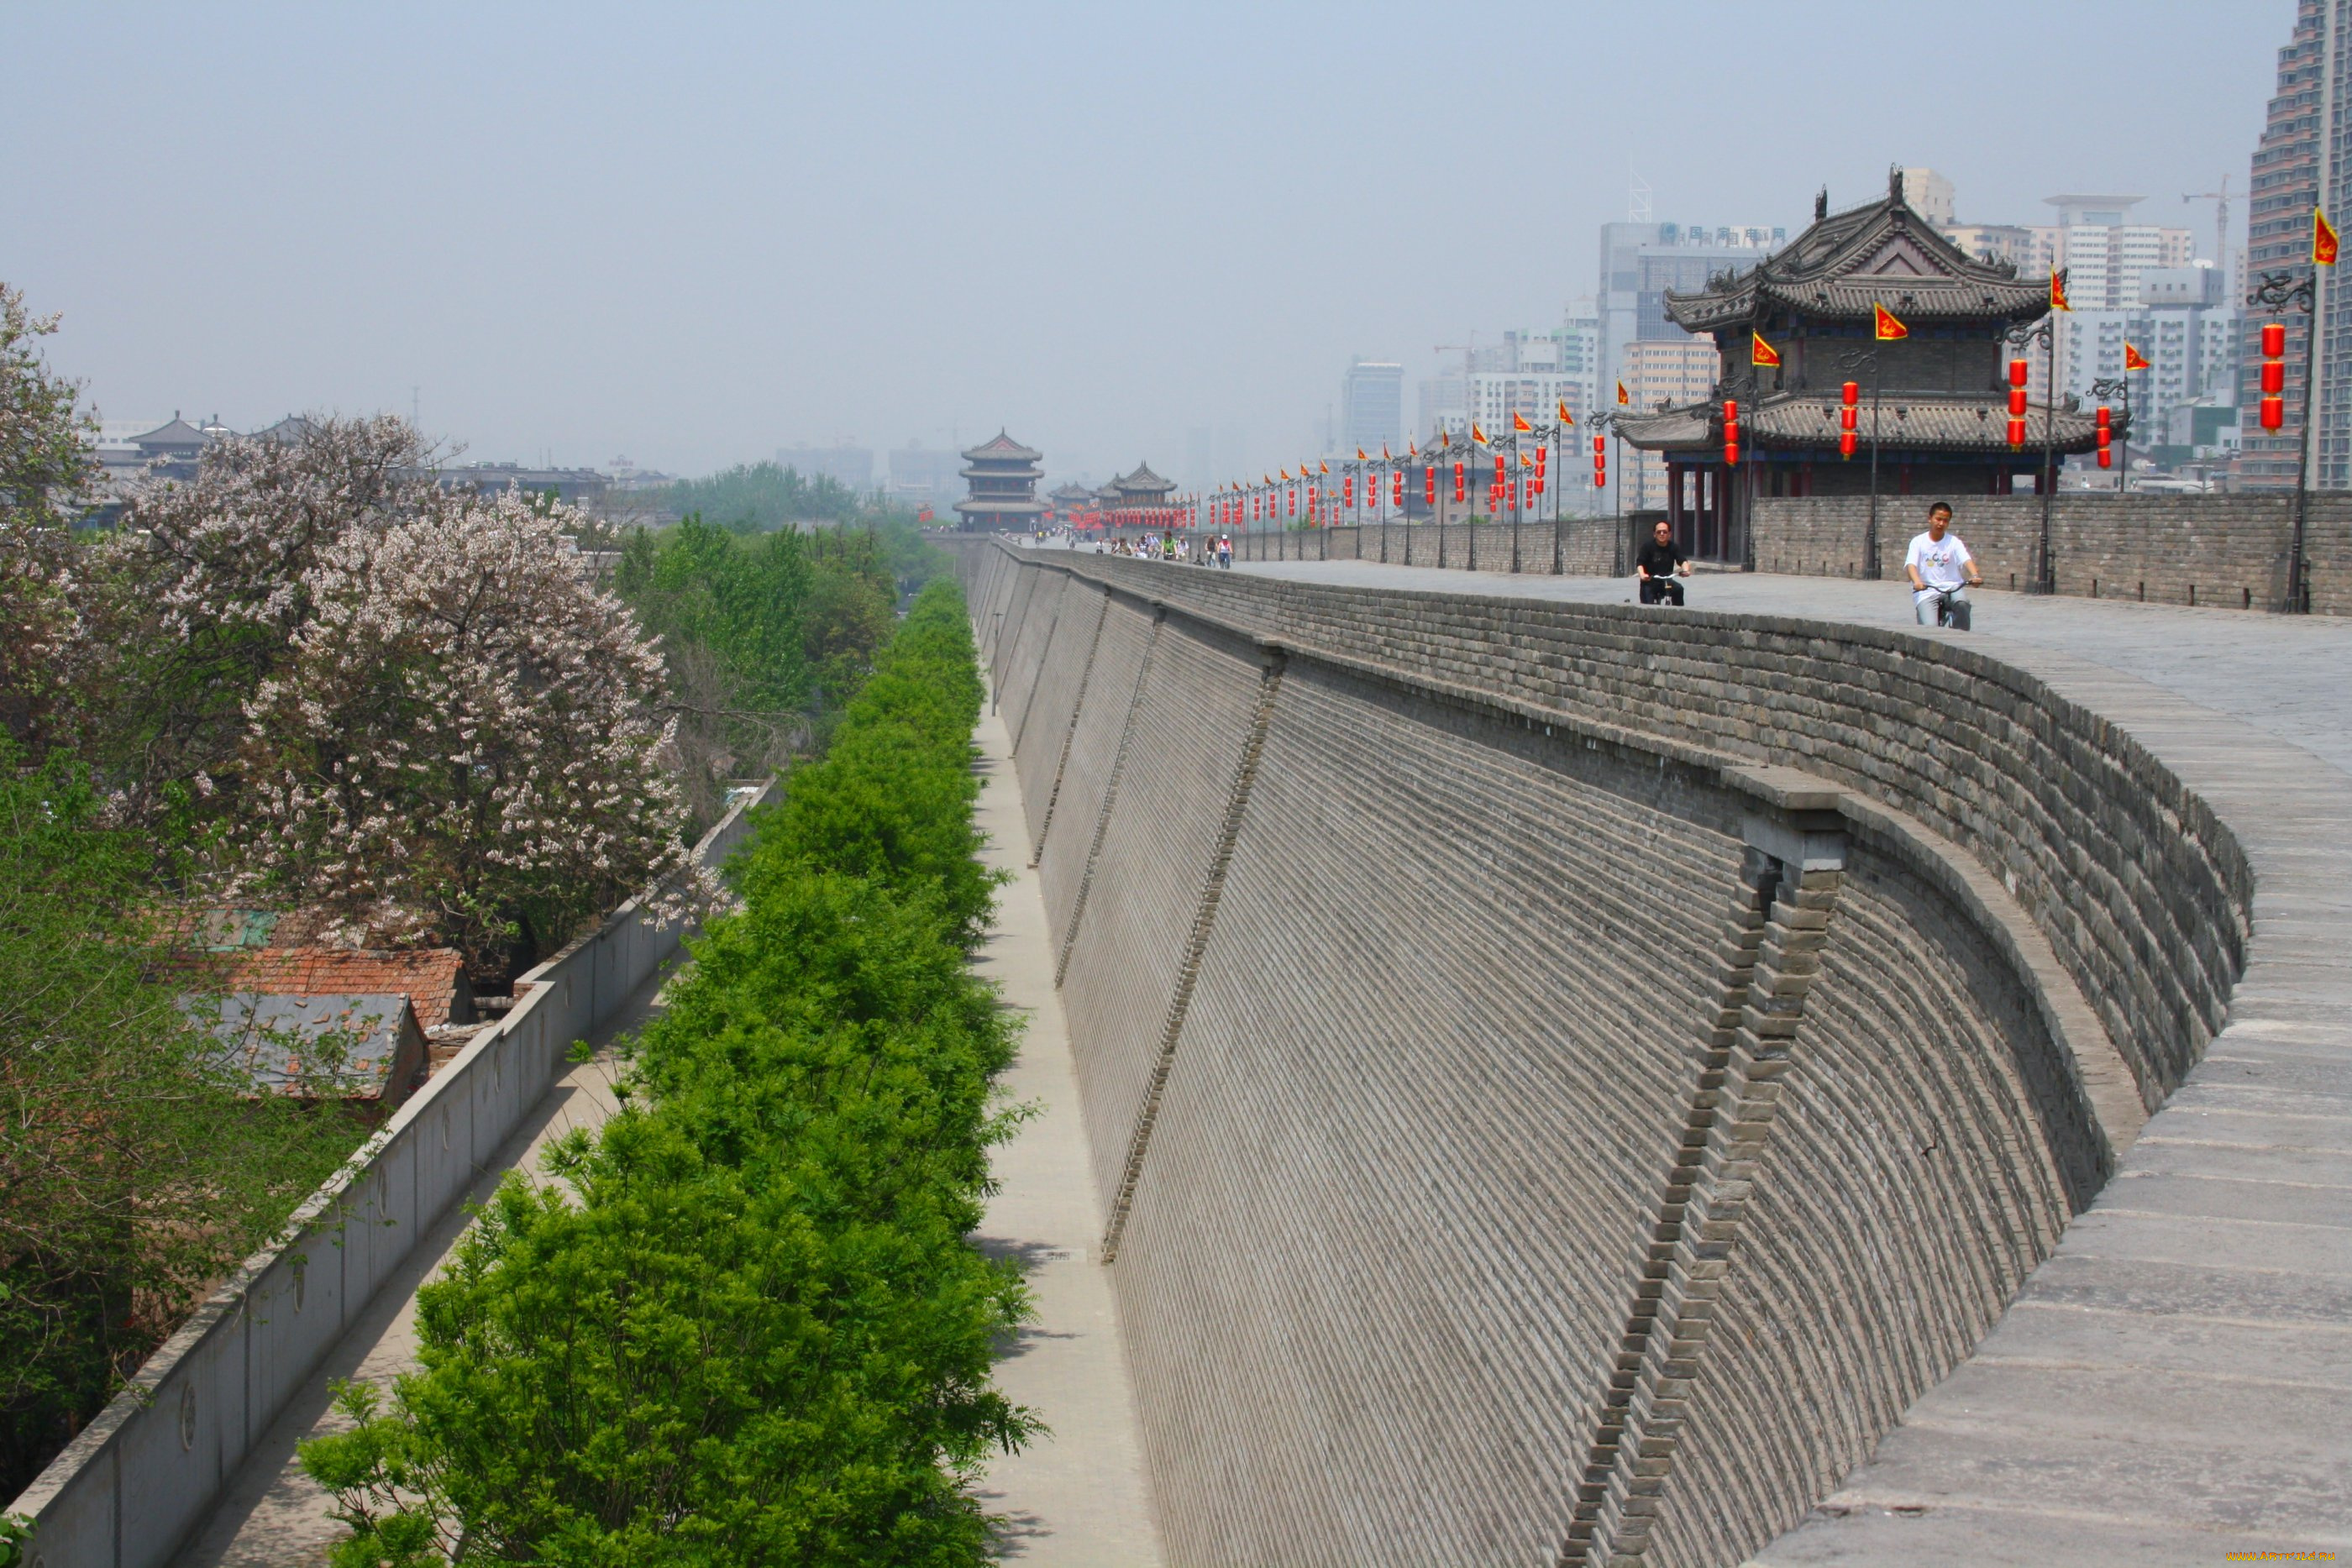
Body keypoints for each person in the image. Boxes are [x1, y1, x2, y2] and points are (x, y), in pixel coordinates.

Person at [1904, 501, 1983, 629]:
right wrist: (1917, 582)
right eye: (1938, 519)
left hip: (1952, 587)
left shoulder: (1954, 542)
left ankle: (1961, 637)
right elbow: (1911, 565)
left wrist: (1975, 575)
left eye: (1945, 520)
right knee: (1930, 628)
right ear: (1930, 519)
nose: (1941, 523)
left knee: (1962, 604)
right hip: (1926, 590)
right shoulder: (1918, 542)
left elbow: (1966, 559)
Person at [1635, 519, 1690, 606]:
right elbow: (1640, 563)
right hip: (1650, 581)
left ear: (1669, 534)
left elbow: (1682, 560)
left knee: (1679, 589)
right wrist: (1642, 575)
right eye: (1659, 532)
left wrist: (1686, 570)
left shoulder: (1673, 547)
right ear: (1654, 534)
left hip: (1666, 581)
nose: (1662, 534)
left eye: (1665, 532)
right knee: (1648, 607)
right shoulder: (1647, 547)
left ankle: (1677, 613)